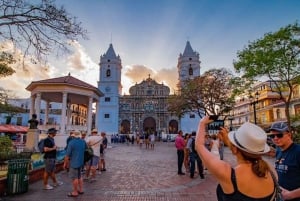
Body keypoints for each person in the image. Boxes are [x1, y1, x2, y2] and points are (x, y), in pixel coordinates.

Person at [196, 116, 275, 201]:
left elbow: (199, 146)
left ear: (235, 149)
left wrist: (202, 123)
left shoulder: (228, 174)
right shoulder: (271, 171)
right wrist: (230, 143)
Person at [269, 121, 300, 201]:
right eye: (272, 136)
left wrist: (290, 195)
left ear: (289, 135)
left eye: (279, 135)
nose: (275, 138)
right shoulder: (279, 151)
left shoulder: (298, 152)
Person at [63, 130, 86, 197]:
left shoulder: (71, 142)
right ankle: (81, 190)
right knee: (80, 176)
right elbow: (85, 149)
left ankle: (75, 192)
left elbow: (67, 155)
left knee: (74, 178)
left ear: (73, 135)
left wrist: (65, 163)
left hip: (74, 162)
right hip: (81, 162)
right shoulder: (83, 141)